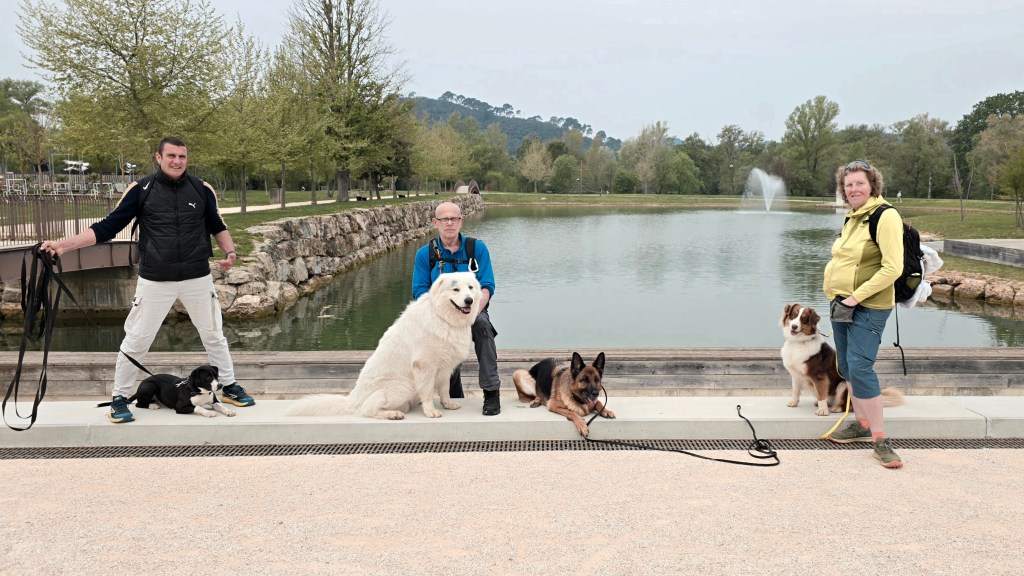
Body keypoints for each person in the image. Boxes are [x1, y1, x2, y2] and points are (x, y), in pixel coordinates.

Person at [38, 136, 254, 423]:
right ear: (158, 157)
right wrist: (63, 246)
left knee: (214, 335)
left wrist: (230, 252)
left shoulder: (201, 189)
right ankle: (119, 398)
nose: (177, 161)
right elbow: (108, 226)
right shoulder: (141, 189)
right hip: (154, 280)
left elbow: (217, 224)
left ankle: (227, 386)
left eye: (182, 156)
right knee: (137, 339)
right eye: (171, 156)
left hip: (197, 277)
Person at [823, 159, 904, 468]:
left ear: (872, 185)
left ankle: (881, 440)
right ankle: (862, 422)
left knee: (860, 367)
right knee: (846, 366)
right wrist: (839, 296)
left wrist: (855, 298)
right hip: (841, 303)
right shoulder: (854, 216)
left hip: (867, 306)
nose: (853, 189)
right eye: (848, 184)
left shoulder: (885, 215)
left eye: (859, 183)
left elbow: (892, 268)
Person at [411, 201, 501, 415]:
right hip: (438, 315)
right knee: (441, 342)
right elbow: (419, 291)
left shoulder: (477, 249)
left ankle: (491, 392)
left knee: (483, 328)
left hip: (473, 310)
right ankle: (453, 394)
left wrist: (472, 314)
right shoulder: (425, 254)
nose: (449, 223)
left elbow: (487, 286)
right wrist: (442, 318)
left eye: (454, 218)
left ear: (461, 221)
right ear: (435, 223)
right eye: (444, 219)